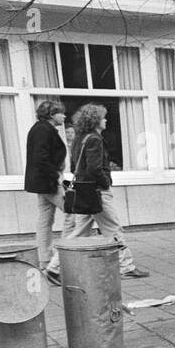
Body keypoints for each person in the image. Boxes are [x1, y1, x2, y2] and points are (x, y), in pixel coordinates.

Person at [61, 103, 149, 279]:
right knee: (113, 228)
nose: (106, 120)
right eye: (103, 117)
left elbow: (74, 165)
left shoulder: (80, 138)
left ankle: (56, 267)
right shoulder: (94, 139)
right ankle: (126, 267)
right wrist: (106, 182)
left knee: (79, 232)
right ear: (95, 121)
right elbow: (95, 168)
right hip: (97, 192)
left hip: (82, 190)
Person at [24, 101, 69, 284]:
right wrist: (56, 177)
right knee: (74, 215)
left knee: (45, 220)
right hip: (49, 181)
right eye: (61, 113)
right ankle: (57, 263)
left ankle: (45, 261)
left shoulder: (39, 128)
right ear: (51, 114)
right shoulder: (44, 130)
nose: (64, 116)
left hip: (41, 182)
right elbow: (41, 158)